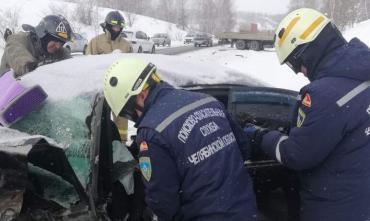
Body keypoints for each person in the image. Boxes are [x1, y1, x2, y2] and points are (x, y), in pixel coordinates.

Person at [245, 8, 370, 221]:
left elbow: (296, 155)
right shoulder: (361, 72)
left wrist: (259, 135)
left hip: (336, 209)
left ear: (310, 50)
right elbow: (339, 123)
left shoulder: (324, 95)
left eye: (295, 62)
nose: (300, 71)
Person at [103, 58, 257, 221]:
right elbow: (244, 149)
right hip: (245, 209)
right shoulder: (208, 100)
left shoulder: (151, 133)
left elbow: (163, 202)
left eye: (128, 112)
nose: (133, 118)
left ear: (141, 94)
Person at [0, 15, 72, 77]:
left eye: (61, 43)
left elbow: (70, 63)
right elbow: (17, 55)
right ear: (43, 36)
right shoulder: (18, 39)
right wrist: (30, 66)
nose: (58, 46)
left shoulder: (55, 50)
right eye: (56, 41)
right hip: (8, 89)